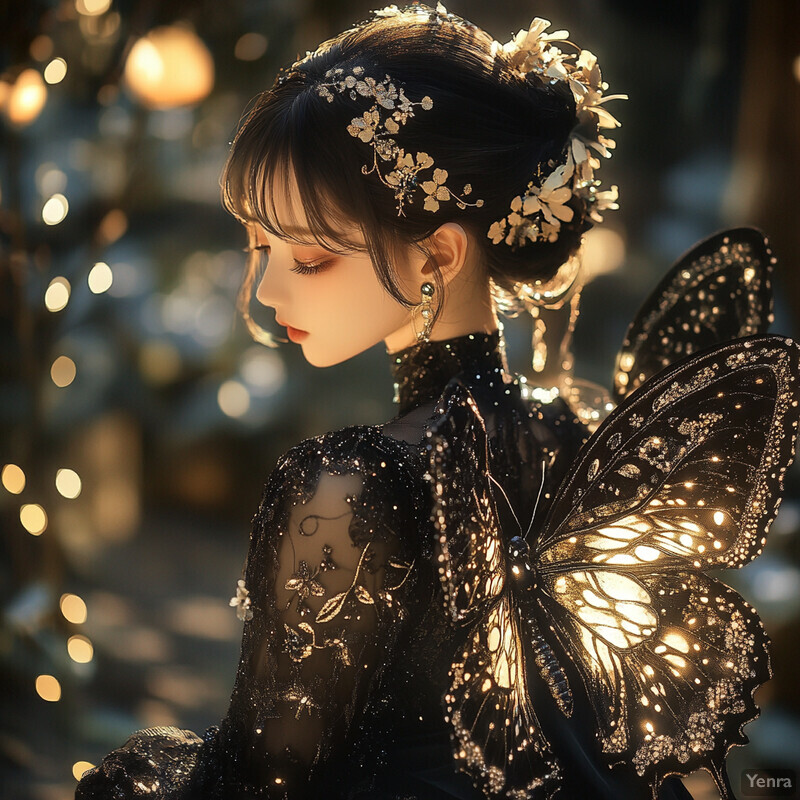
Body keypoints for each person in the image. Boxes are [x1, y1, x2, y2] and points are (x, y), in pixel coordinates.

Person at [76, 5, 795, 799]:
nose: (268, 288)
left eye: (309, 257)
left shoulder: (349, 486)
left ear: (440, 252)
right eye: (259, 245)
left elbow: (264, 778)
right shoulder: (569, 430)